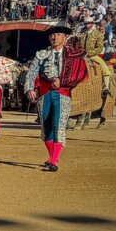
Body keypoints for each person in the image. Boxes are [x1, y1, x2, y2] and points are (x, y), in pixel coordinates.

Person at [24, 25, 89, 172]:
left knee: (58, 126)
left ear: (64, 37)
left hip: (63, 93)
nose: (54, 37)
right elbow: (32, 72)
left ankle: (53, 160)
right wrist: (29, 88)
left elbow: (79, 74)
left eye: (58, 34)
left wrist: (63, 82)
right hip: (45, 93)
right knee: (46, 128)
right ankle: (52, 156)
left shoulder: (73, 54)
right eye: (52, 35)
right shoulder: (41, 54)